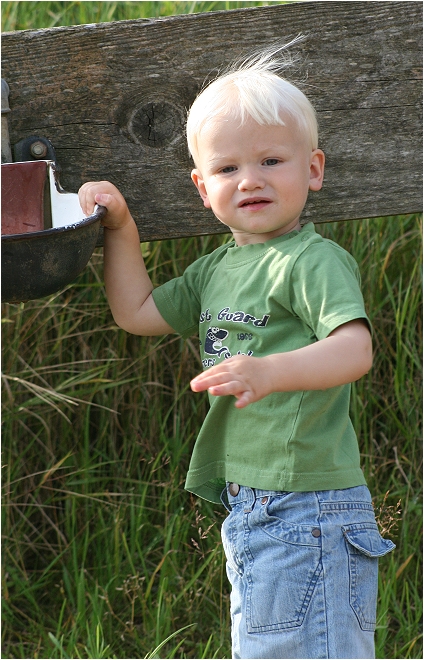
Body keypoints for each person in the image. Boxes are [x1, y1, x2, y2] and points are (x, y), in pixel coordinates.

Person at [79, 42, 395, 660]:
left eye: (271, 160)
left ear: (313, 170)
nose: (249, 179)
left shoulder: (312, 260)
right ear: (202, 187)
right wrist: (120, 230)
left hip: (310, 505)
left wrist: (268, 372)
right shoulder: (216, 270)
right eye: (226, 169)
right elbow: (137, 313)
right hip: (252, 503)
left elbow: (354, 349)